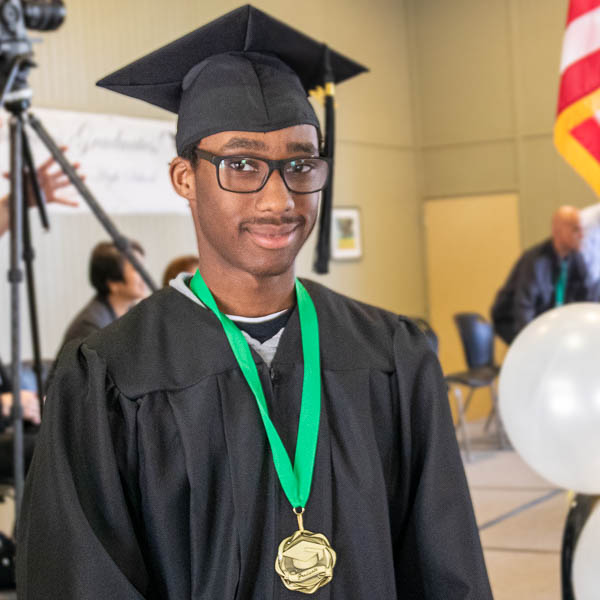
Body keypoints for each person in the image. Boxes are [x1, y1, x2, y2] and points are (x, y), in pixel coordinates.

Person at [17, 6, 492, 599]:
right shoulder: (110, 377)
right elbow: (79, 582)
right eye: (241, 165)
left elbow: (448, 570)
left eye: (299, 164)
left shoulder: (393, 356)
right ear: (184, 178)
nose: (278, 198)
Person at [492, 205, 594, 344]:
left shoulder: (575, 258)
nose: (581, 235)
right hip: (512, 321)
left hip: (546, 322)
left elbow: (587, 297)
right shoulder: (536, 261)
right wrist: (533, 344)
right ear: (558, 230)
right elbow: (523, 308)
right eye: (575, 229)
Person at [60, 240, 149, 346]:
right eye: (137, 269)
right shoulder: (92, 326)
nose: (145, 275)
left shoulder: (133, 313)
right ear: (113, 283)